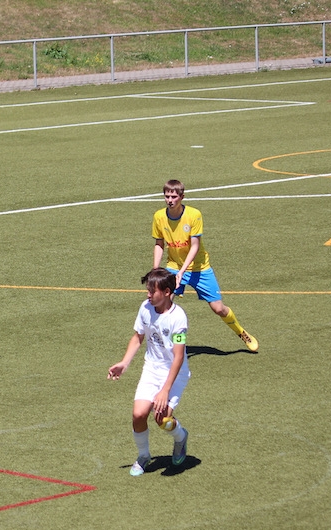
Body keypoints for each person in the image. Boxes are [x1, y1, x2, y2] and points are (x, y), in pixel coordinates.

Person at [152, 179, 258, 352]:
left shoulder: (194, 215)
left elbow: (195, 246)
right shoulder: (159, 216)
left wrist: (182, 272)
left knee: (219, 309)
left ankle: (241, 332)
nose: (170, 200)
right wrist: (156, 269)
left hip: (199, 268)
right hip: (174, 266)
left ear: (182, 197)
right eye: (167, 196)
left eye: (174, 197)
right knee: (164, 305)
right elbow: (159, 244)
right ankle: (170, 344)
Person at [108, 268, 191, 476]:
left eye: (152, 291)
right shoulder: (145, 308)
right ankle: (144, 455)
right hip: (152, 369)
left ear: (167, 292)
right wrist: (124, 363)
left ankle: (180, 437)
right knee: (138, 414)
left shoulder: (178, 318)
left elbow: (178, 357)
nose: (148, 295)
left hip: (174, 373)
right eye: (148, 290)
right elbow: (138, 337)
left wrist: (165, 390)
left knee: (162, 420)